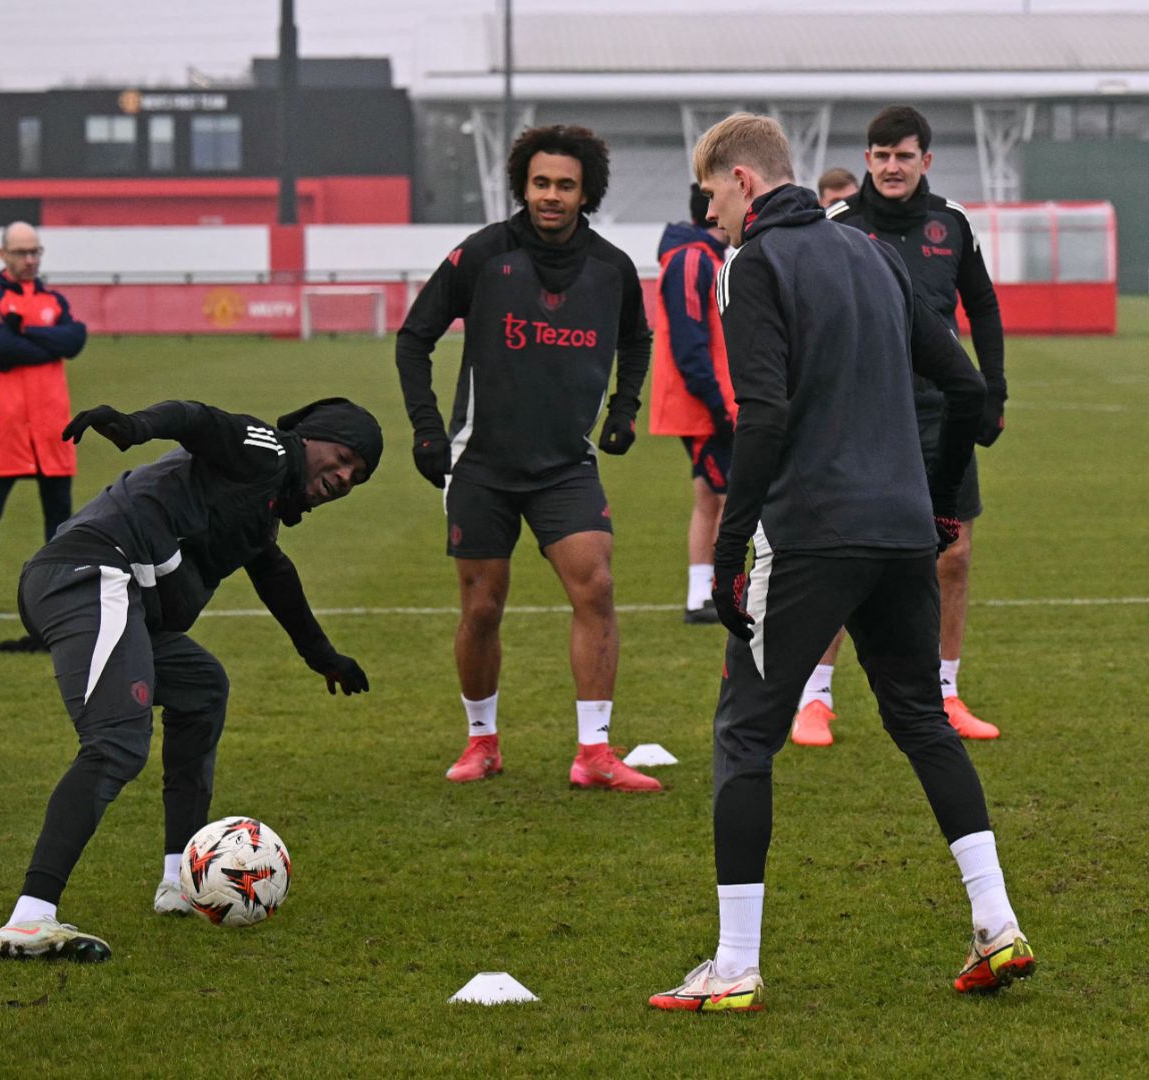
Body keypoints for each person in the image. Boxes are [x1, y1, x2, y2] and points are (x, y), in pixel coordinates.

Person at [648, 113, 1034, 1012]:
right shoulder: (873, 254)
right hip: (900, 531)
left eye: (712, 196)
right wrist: (937, 503)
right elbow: (966, 384)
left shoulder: (752, 263)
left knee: (745, 735)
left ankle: (734, 965)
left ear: (744, 181)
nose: (711, 216)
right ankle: (998, 923)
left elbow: (764, 413)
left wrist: (734, 541)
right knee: (923, 723)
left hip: (811, 532)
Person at [0, 397, 379, 962]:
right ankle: (30, 917)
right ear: (310, 438)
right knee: (115, 743)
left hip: (110, 589)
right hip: (89, 574)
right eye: (343, 458)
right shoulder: (267, 450)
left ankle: (180, 881)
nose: (345, 477)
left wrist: (323, 656)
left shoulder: (263, 501)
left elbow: (273, 571)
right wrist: (134, 426)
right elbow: (198, 420)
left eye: (358, 476)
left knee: (201, 688)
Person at [395, 124, 662, 793]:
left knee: (595, 586)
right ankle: (482, 741)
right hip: (481, 462)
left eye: (565, 185)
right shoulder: (484, 254)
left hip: (565, 464)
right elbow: (414, 336)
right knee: (483, 607)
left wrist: (624, 409)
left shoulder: (612, 268)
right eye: (540, 183)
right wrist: (427, 430)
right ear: (523, 184)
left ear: (586, 192)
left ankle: (594, 753)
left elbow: (638, 340)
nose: (550, 195)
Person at [800, 105, 1008, 746]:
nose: (893, 167)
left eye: (905, 155)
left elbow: (982, 305)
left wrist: (993, 391)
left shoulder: (953, 222)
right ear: (868, 160)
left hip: (940, 411)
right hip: (862, 414)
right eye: (882, 155)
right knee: (844, 552)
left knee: (954, 553)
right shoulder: (838, 223)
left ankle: (944, 692)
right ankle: (814, 697)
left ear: (926, 160)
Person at [0, 222, 87, 653]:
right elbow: (2, 348)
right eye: (21, 252)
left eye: (35, 252)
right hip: (3, 432)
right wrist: (44, 344)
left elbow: (75, 339)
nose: (30, 260)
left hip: (52, 432)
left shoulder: (54, 300)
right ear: (3, 254)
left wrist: (24, 331)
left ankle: (57, 612)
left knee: (62, 528)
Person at [651, 183, 736, 625]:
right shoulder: (691, 259)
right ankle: (715, 594)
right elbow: (689, 342)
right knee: (726, 498)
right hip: (704, 406)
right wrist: (718, 406)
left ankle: (705, 594)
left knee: (712, 497)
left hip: (712, 402)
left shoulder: (706, 257)